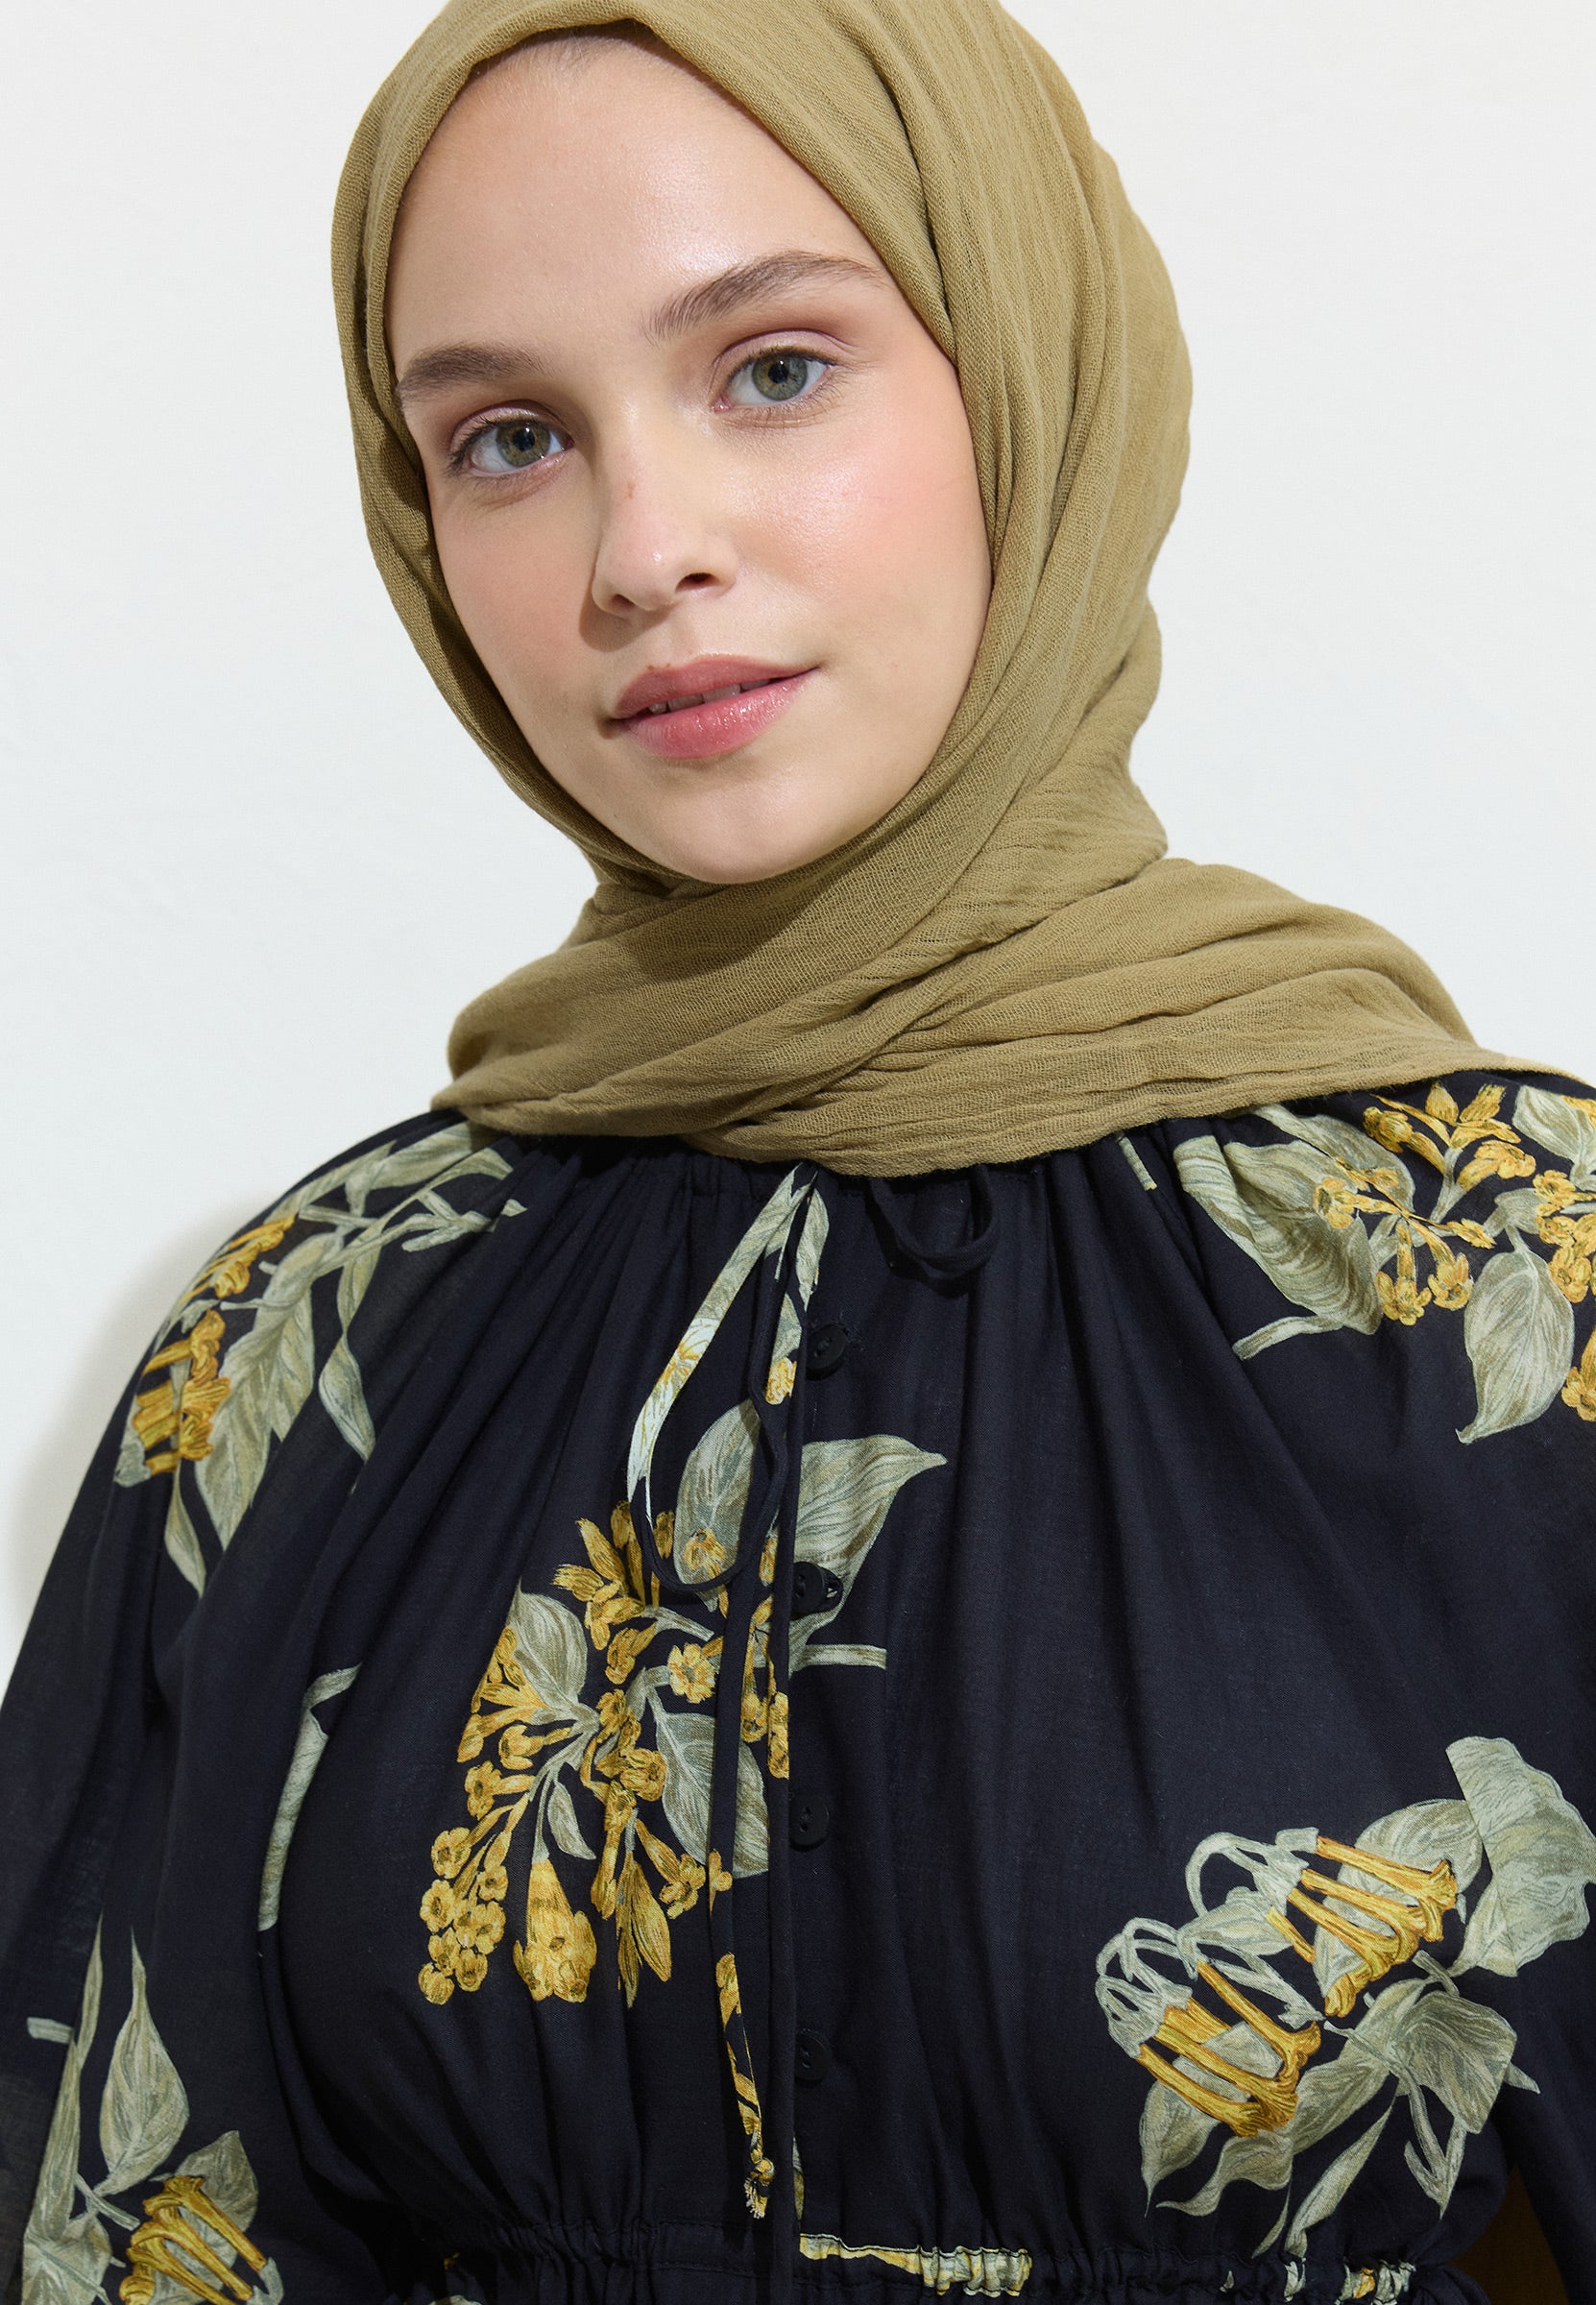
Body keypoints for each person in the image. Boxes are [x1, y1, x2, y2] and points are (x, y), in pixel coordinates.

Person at [1, 3, 1588, 2301]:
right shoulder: (307, 1340)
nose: (645, 550)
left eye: (773, 370)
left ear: (1026, 377)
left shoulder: (1512, 1286)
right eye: (512, 438)